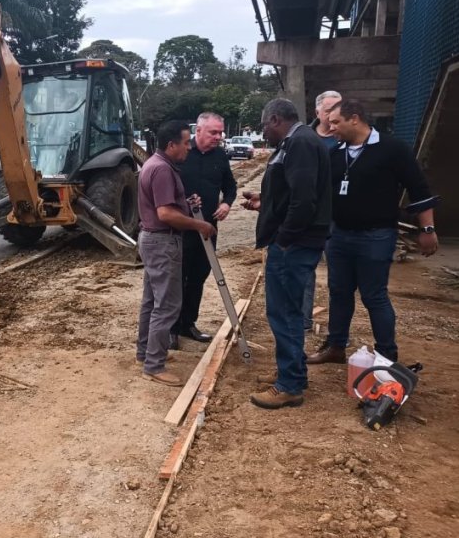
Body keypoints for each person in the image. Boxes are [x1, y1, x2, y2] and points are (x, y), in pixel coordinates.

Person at [307, 99, 439, 366]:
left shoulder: (392, 150)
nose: (330, 129)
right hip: (340, 236)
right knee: (339, 292)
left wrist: (427, 229)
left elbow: (419, 190)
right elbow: (318, 192)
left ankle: (386, 354)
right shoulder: (336, 153)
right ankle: (335, 347)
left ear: (354, 119)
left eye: (335, 122)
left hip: (376, 237)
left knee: (374, 295)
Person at [241, 98, 331, 409]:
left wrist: (284, 239)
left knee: (285, 313)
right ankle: (291, 373)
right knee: (285, 311)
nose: (263, 131)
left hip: (294, 245)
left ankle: (290, 385)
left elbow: (304, 201)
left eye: (264, 125)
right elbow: (292, 192)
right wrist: (265, 200)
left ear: (276, 119)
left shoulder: (300, 143)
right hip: (295, 241)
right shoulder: (297, 142)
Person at [137, 120, 216, 387]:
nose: (188, 147)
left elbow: (169, 205)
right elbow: (165, 214)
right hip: (162, 242)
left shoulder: (156, 164)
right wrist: (199, 224)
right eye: (184, 143)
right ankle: (154, 365)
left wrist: (186, 204)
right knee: (167, 305)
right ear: (171, 145)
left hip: (152, 240)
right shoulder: (162, 170)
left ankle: (145, 352)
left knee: (151, 300)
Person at [175, 112, 237, 343]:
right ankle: (172, 328)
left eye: (220, 132)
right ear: (198, 131)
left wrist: (226, 204)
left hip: (208, 229)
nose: (219, 137)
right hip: (181, 228)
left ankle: (188, 324)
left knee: (199, 276)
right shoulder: (182, 153)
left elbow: (231, 186)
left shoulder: (220, 156)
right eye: (214, 132)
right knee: (178, 277)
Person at [301, 90, 342, 331]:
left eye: (339, 108)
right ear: (317, 112)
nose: (334, 114)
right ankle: (304, 322)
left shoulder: (348, 139)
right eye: (328, 110)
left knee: (339, 278)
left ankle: (337, 332)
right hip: (311, 215)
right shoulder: (304, 138)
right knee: (306, 271)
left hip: (339, 218)